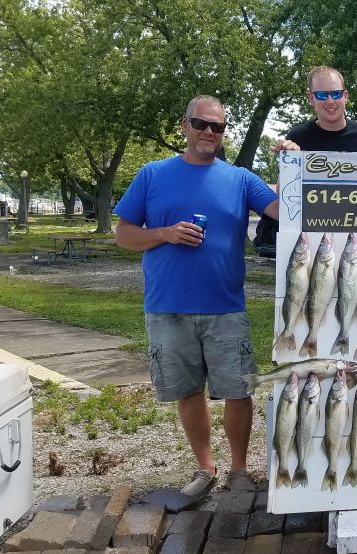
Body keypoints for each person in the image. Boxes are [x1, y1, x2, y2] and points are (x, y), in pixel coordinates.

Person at [114, 95, 280, 498]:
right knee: (188, 392)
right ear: (184, 125)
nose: (209, 132)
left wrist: (293, 163)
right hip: (168, 307)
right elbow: (123, 234)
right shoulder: (152, 174)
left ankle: (239, 470)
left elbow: (287, 208)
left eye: (218, 127)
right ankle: (205, 468)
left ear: (225, 132)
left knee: (238, 391)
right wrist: (165, 233)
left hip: (226, 305)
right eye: (201, 124)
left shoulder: (240, 178)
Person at [256, 66, 357, 257]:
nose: (330, 101)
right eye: (321, 95)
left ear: (345, 96)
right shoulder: (297, 136)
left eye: (336, 94)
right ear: (311, 98)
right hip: (311, 241)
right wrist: (291, 162)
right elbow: (285, 197)